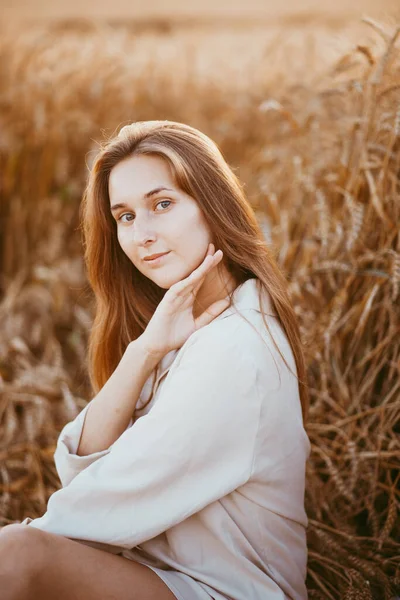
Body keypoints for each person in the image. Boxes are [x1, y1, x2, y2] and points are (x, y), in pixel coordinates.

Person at [0, 120, 311, 600]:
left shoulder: (234, 351)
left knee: (18, 556)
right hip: (164, 576)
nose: (141, 235)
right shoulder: (194, 327)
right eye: (124, 216)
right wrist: (142, 352)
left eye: (162, 205)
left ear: (213, 206)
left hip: (225, 591)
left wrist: (21, 550)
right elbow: (83, 471)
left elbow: (92, 507)